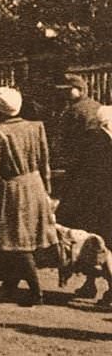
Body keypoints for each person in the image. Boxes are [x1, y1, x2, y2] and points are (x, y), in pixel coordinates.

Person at [0, 87, 57, 307]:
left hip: (13, 190)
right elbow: (45, 162)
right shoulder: (37, 127)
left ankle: (36, 291)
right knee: (23, 238)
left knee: (15, 241)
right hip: (35, 185)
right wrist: (47, 191)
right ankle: (9, 285)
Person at [56, 104, 112, 299]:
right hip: (106, 203)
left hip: (90, 202)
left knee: (92, 244)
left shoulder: (92, 140)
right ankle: (98, 286)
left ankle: (93, 284)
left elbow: (76, 169)